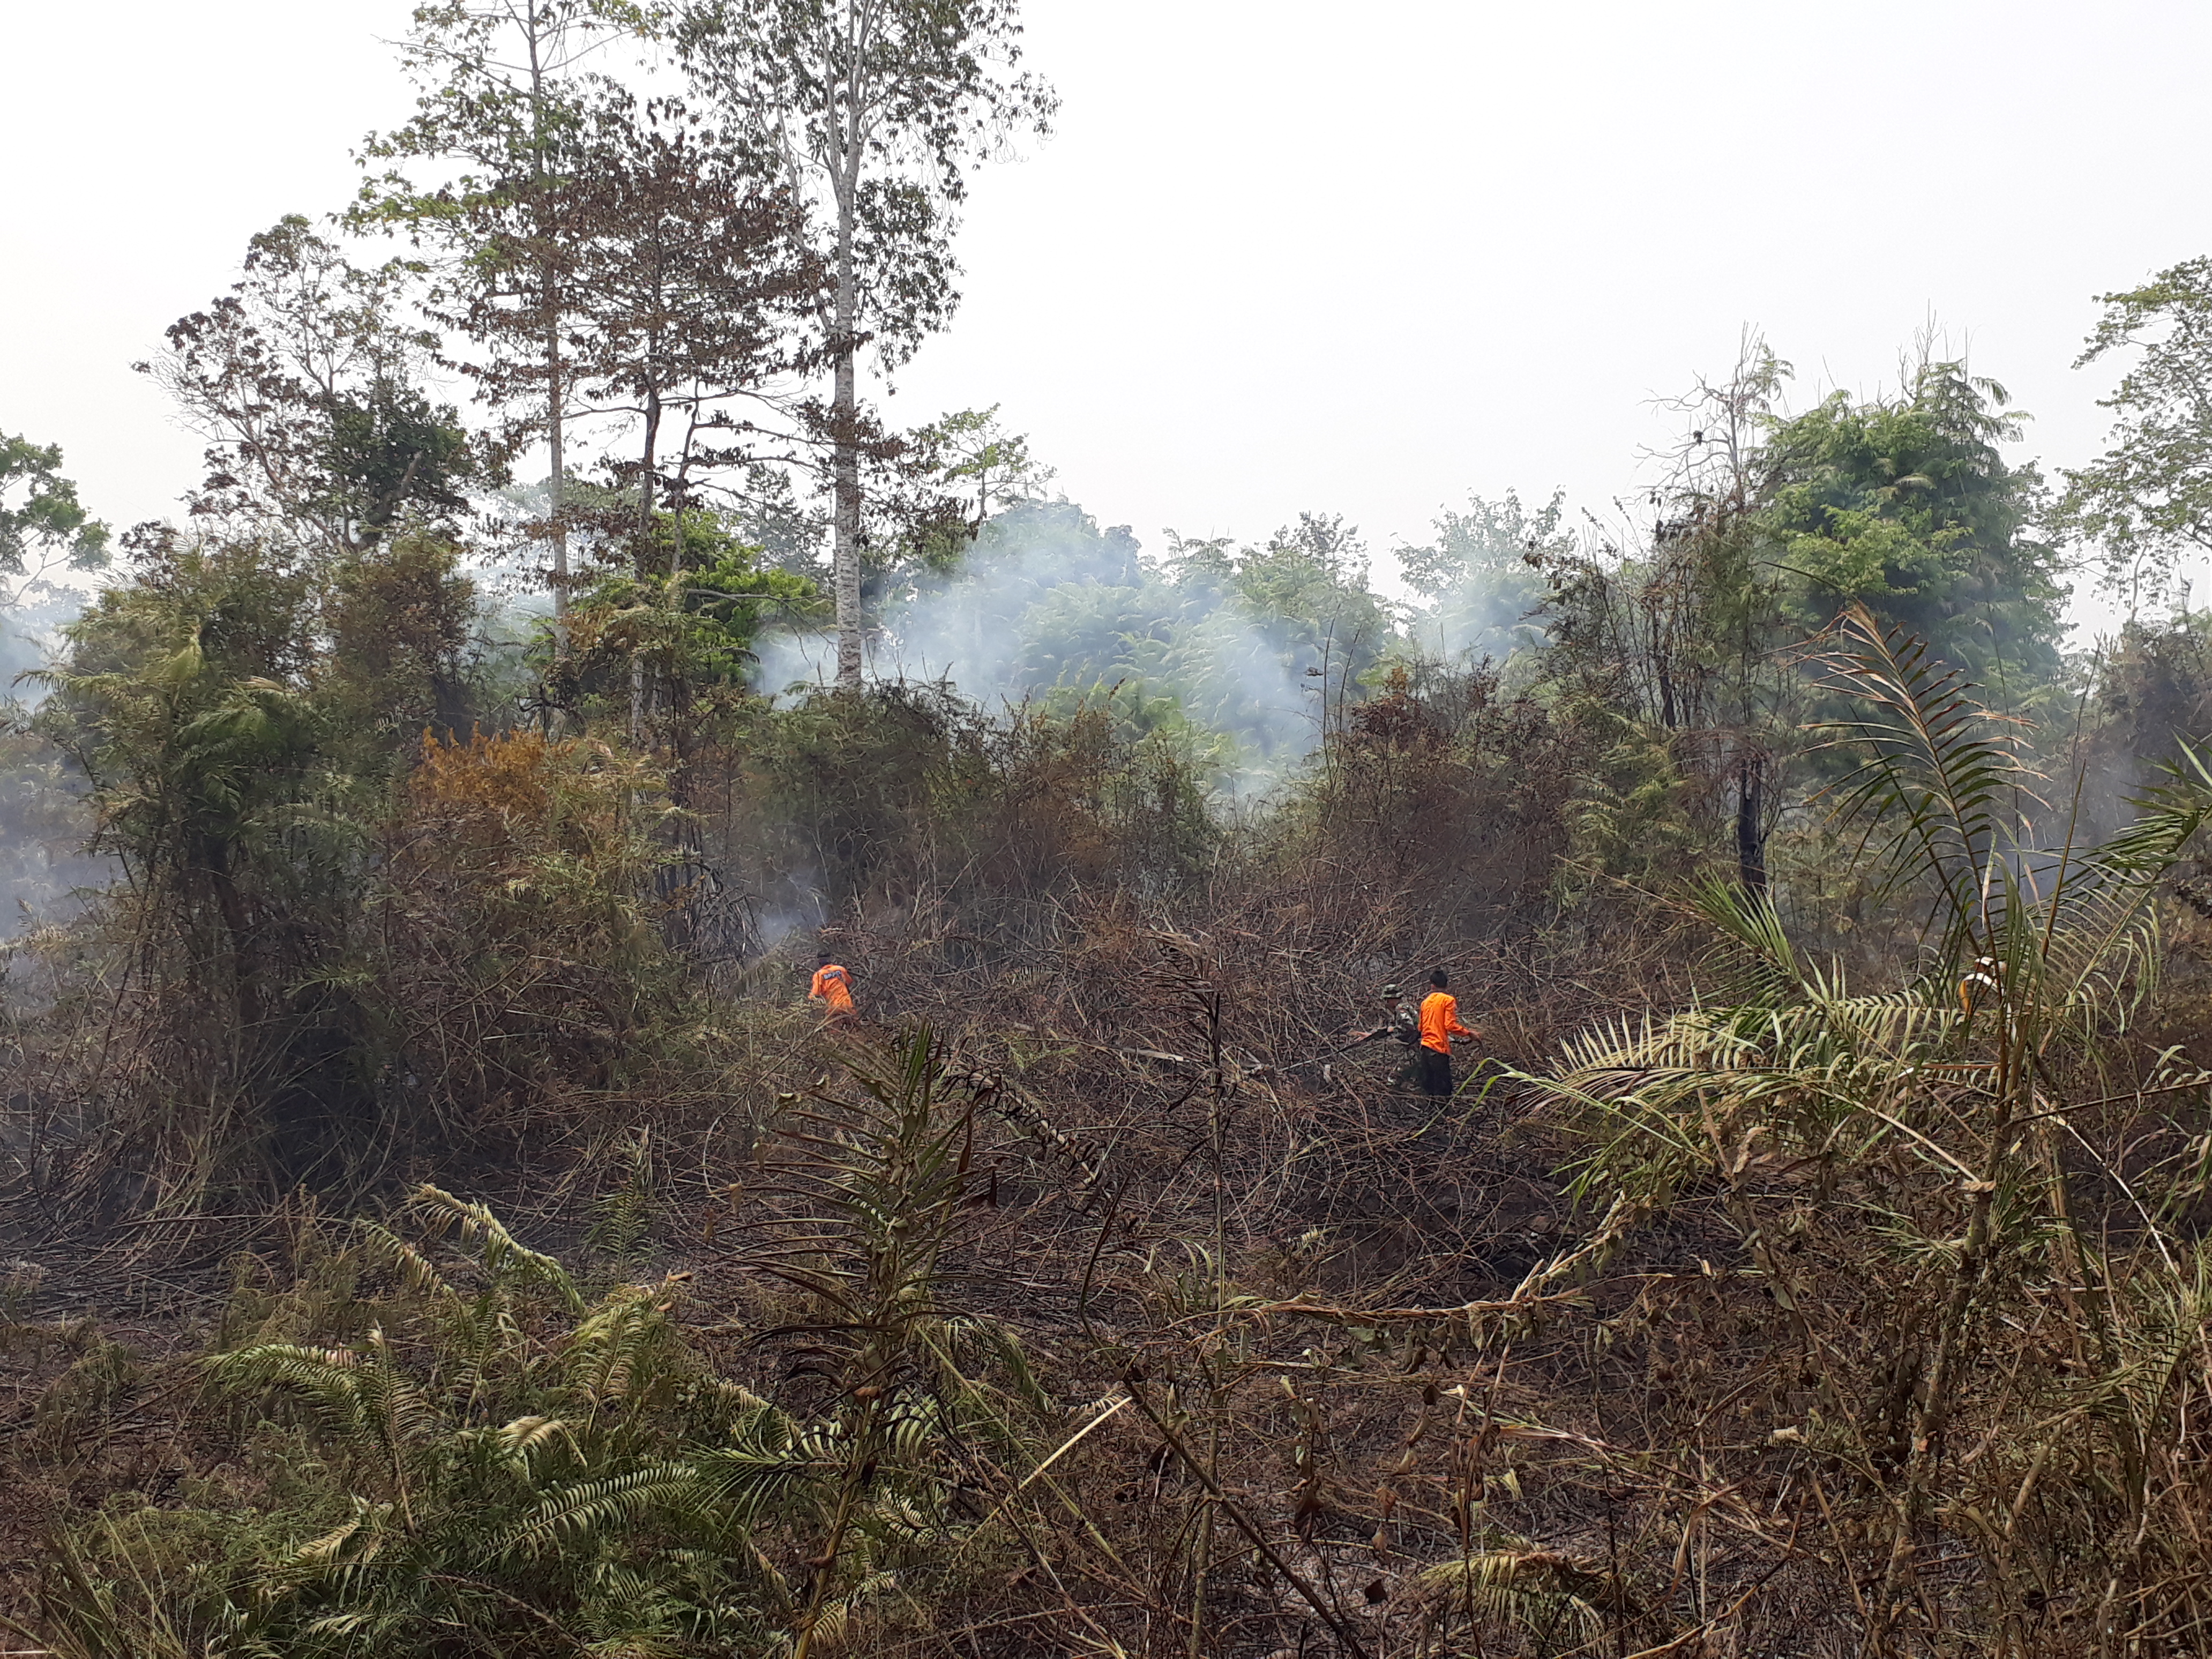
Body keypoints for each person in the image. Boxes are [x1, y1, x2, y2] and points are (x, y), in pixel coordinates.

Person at [1416, 967, 1479, 1097]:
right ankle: (1443, 1110)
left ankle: (1431, 1110)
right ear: (1447, 985)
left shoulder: (1425, 1003)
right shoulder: (1448, 1000)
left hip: (1425, 1048)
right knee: (1444, 1089)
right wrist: (1468, 1033)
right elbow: (1450, 1025)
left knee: (1430, 1088)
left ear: (1432, 986)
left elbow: (1421, 1027)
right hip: (1438, 1049)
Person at [809, 956, 857, 1025]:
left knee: (834, 1027)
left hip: (833, 1007)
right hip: (847, 1004)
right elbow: (849, 981)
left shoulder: (819, 975)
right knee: (854, 1024)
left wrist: (810, 998)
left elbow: (816, 992)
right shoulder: (840, 969)